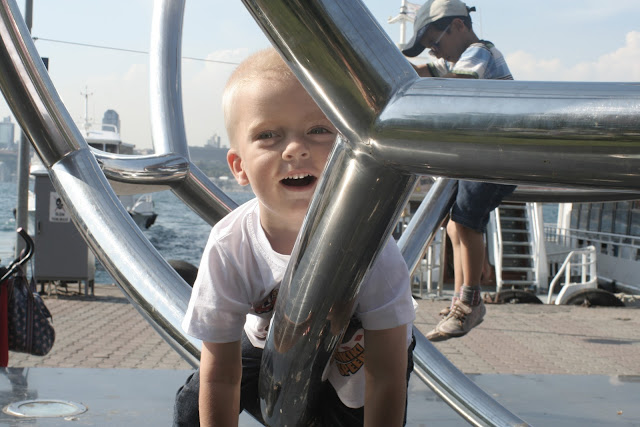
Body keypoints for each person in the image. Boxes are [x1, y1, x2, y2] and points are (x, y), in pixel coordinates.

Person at [173, 47, 416, 426]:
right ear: (239, 167)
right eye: (268, 135)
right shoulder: (231, 245)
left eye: (318, 130)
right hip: (266, 345)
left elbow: (386, 378)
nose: (296, 149)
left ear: (346, 149)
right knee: (193, 403)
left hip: (359, 356)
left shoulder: (371, 250)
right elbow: (220, 376)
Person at [402, 0, 516, 341]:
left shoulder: (481, 52)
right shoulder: (464, 56)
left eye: (436, 42)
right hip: (480, 154)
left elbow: (456, 80)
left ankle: (470, 302)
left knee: (466, 224)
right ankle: (462, 300)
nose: (435, 51)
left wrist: (421, 74)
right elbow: (433, 70)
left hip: (497, 153)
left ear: (459, 27)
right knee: (455, 225)